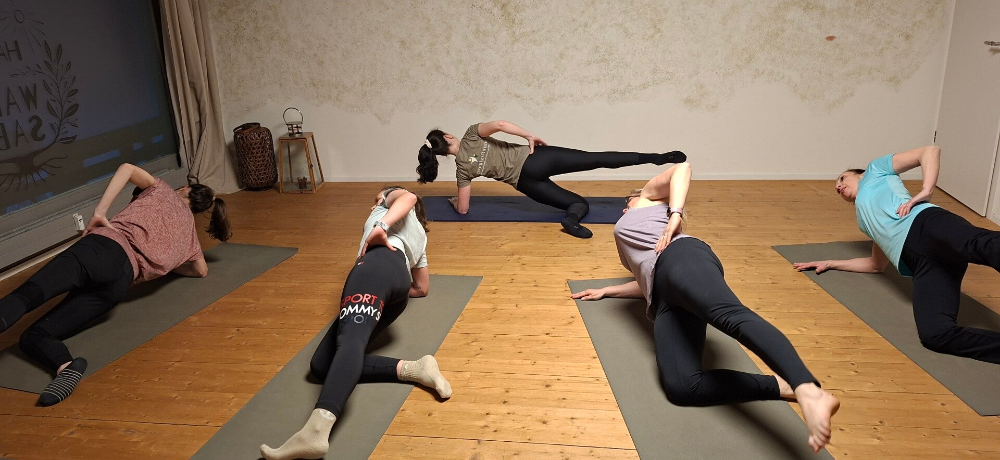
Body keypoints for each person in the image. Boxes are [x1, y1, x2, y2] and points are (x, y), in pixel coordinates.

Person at [571, 162, 839, 453]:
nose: (625, 207)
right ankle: (780, 386)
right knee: (683, 387)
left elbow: (682, 168)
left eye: (629, 201)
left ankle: (808, 389)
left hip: (683, 257)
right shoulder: (633, 239)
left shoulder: (650, 198)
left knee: (730, 317)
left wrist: (674, 214)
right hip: (664, 293)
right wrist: (608, 290)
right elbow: (646, 278)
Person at [0, 163, 230, 406]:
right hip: (118, 284)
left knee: (26, 297)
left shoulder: (162, 190)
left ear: (184, 189)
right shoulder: (190, 236)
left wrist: (100, 212)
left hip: (101, 249)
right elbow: (201, 270)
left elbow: (127, 168)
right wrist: (165, 263)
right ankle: (65, 365)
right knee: (35, 335)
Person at [260, 186, 452, 460]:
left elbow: (409, 196)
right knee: (322, 364)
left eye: (377, 199)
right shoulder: (420, 236)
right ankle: (416, 369)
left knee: (350, 342)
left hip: (374, 266)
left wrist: (381, 227)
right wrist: (384, 292)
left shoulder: (388, 204)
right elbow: (421, 288)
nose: (373, 204)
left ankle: (316, 430)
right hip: (396, 289)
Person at [793, 145, 1000, 363]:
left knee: (983, 245)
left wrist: (926, 190)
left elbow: (930, 151)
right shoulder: (864, 220)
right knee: (936, 335)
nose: (839, 186)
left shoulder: (875, 170)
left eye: (842, 178)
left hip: (925, 225)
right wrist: (831, 263)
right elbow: (875, 265)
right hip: (924, 264)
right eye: (837, 187)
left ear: (859, 174)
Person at [417, 120, 686, 238]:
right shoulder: (471, 134)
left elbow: (464, 209)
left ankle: (571, 220)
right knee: (596, 159)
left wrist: (455, 202)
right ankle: (655, 158)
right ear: (448, 136)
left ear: (441, 154)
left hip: (525, 183)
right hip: (536, 158)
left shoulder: (462, 170)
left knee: (578, 204)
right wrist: (528, 136)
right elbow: (499, 124)